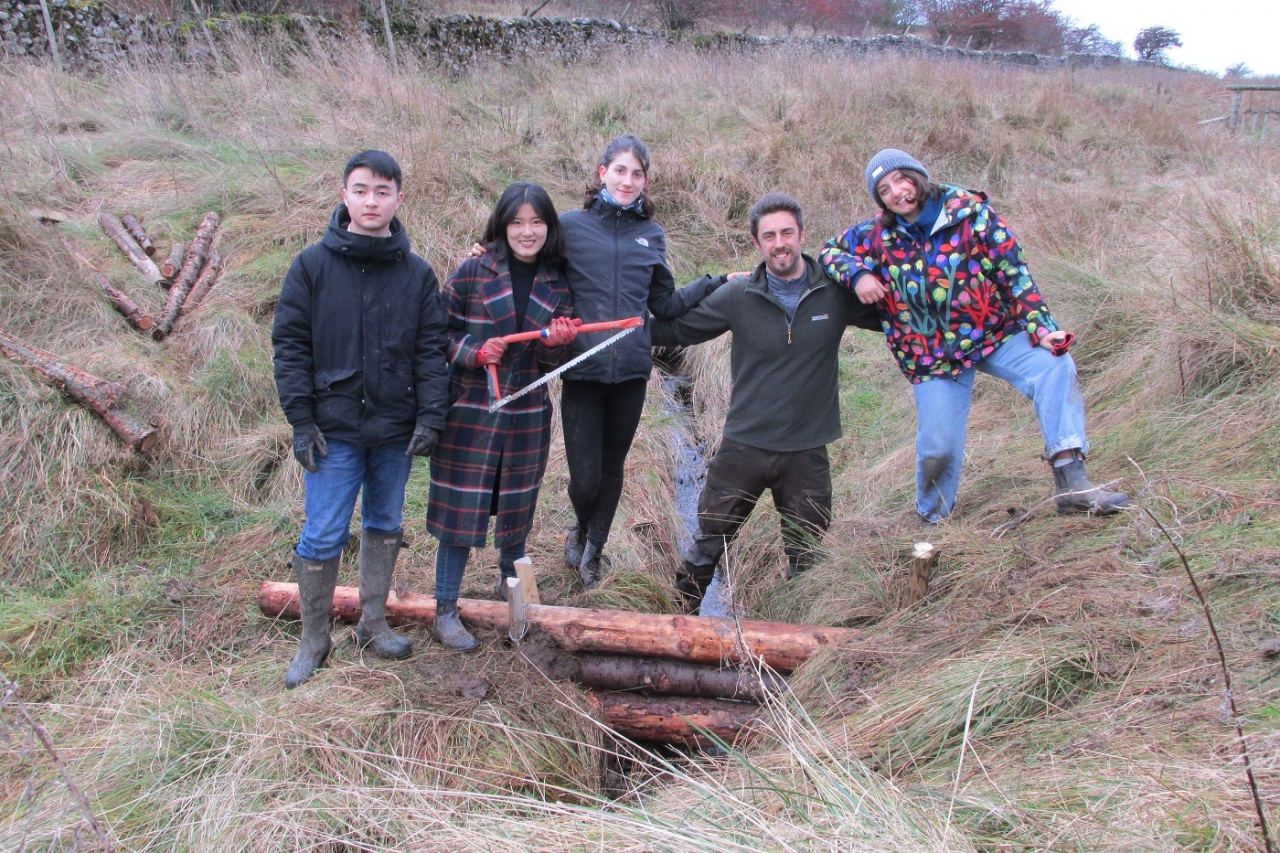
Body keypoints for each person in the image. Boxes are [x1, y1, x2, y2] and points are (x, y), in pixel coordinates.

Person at [818, 149, 1128, 525]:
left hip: (993, 332)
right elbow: (829, 251)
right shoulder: (876, 235)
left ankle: (1072, 483)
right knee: (938, 448)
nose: (897, 192)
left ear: (918, 176)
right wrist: (858, 275)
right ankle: (932, 521)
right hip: (930, 354)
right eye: (884, 189)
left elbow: (1013, 273)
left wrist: (1042, 328)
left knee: (1054, 365)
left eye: (901, 179)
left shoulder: (971, 213)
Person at [651, 193, 880, 614]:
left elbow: (899, 314)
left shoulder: (834, 292)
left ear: (802, 236)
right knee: (707, 545)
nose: (780, 243)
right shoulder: (738, 296)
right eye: (769, 235)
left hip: (807, 452)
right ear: (757, 243)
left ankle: (798, 640)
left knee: (807, 555)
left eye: (787, 233)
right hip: (744, 447)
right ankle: (677, 628)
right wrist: (612, 318)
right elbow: (673, 329)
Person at [272, 149, 448, 688]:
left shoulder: (417, 275)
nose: (371, 201)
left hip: (395, 431)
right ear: (344, 194)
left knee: (384, 523)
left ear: (399, 198)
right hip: (333, 432)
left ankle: (373, 623)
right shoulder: (311, 266)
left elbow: (431, 350)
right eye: (361, 190)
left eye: (382, 191)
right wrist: (302, 420)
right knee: (323, 534)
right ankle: (314, 638)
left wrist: (431, 415)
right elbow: (290, 346)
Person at [558, 134, 720, 589]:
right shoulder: (569, 227)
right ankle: (580, 522)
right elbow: (530, 262)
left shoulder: (651, 235)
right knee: (584, 479)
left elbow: (665, 304)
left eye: (637, 174)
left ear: (645, 181)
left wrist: (716, 282)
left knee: (612, 470)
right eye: (620, 171)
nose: (628, 181)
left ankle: (594, 551)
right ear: (601, 172)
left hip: (630, 370)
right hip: (584, 369)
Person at [425, 182, 578, 651]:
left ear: (548, 227)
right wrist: (474, 352)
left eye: (536, 222)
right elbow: (436, 333)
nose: (526, 232)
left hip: (527, 415)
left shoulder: (558, 282)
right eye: (517, 222)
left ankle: (513, 593)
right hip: (471, 410)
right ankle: (444, 610)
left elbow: (554, 365)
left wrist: (556, 345)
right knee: (459, 516)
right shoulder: (473, 271)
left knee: (517, 511)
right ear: (502, 224)